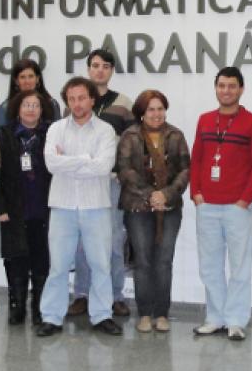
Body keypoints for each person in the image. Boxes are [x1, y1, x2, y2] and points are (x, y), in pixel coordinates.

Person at [36, 77, 122, 337]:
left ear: (92, 99)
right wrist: (86, 160)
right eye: (71, 99)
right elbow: (51, 164)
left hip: (95, 206)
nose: (77, 104)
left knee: (100, 264)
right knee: (59, 265)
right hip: (62, 205)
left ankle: (102, 315)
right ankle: (51, 317)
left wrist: (70, 160)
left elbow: (103, 167)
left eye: (81, 98)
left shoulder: (105, 130)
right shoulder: (56, 129)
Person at [190, 67, 252, 341]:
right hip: (207, 206)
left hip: (238, 208)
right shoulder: (204, 120)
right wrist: (196, 194)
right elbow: (197, 159)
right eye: (222, 85)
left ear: (241, 89)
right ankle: (215, 318)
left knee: (240, 266)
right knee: (209, 266)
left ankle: (235, 320)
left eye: (232, 86)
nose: (226, 91)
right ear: (216, 88)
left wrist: (244, 200)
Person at [68, 49, 134, 318]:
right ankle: (82, 294)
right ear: (88, 69)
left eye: (106, 66)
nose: (100, 70)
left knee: (114, 239)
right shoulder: (77, 102)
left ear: (111, 71)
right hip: (82, 183)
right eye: (95, 65)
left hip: (112, 182)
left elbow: (131, 144)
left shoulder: (123, 103)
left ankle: (116, 295)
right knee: (83, 240)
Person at [117, 90, 190, 333]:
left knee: (164, 261)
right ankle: (145, 313)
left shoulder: (176, 135)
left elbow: (185, 170)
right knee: (143, 262)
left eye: (160, 108)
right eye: (151, 109)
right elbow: (125, 171)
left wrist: (166, 195)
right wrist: (150, 195)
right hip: (138, 207)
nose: (156, 114)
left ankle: (162, 313)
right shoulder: (130, 136)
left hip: (169, 208)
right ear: (141, 112)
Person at [0, 90, 54, 325]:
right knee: (15, 258)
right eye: (26, 105)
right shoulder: (5, 135)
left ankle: (40, 308)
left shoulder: (51, 134)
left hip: (43, 207)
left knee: (41, 260)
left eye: (35, 105)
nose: (31, 109)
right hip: (13, 208)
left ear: (42, 109)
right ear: (18, 109)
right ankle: (17, 306)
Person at [0, 58, 60, 129]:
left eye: (31, 76)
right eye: (22, 77)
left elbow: (59, 134)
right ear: (16, 81)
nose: (27, 81)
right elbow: (1, 137)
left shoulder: (52, 104)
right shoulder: (5, 108)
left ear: (37, 79)